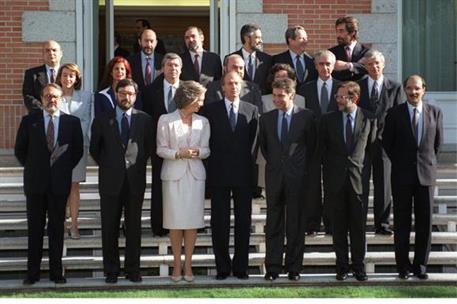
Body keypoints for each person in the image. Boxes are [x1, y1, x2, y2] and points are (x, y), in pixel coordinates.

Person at [15, 83, 83, 285]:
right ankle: (32, 273)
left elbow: (77, 151)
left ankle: (56, 273)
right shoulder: (29, 121)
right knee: (35, 229)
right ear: (42, 98)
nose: (51, 99)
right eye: (47, 96)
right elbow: (20, 150)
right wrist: (36, 167)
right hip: (35, 185)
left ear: (61, 98)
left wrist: (61, 169)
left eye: (55, 96)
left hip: (59, 185)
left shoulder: (72, 122)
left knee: (56, 229)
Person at [90, 78, 153, 284]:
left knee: (134, 227)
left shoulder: (144, 119)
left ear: (135, 96)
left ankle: (133, 270)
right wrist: (111, 165)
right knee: (109, 227)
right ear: (116, 95)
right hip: (110, 181)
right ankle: (111, 270)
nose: (126, 97)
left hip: (135, 181)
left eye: (130, 94)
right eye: (122, 93)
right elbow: (95, 149)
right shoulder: (101, 119)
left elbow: (147, 148)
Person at [382, 75, 443, 280]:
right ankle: (403, 267)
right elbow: (388, 144)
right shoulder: (394, 113)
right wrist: (401, 163)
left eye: (417, 88)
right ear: (405, 90)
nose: (413, 92)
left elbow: (437, 145)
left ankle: (421, 266)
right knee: (401, 223)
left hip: (426, 176)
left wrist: (426, 163)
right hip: (401, 177)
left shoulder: (435, 112)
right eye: (409, 88)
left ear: (424, 89)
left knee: (425, 223)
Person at [259, 78, 316, 281]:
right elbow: (265, 148)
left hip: (298, 177)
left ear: (291, 95)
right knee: (273, 222)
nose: (276, 100)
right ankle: (272, 268)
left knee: (296, 223)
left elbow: (312, 147)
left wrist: (299, 168)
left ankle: (294, 268)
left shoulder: (307, 117)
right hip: (274, 177)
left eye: (280, 96)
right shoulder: (266, 119)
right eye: (274, 96)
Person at [319, 81, 376, 281]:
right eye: (337, 97)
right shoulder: (328, 120)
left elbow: (371, 150)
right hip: (335, 181)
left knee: (358, 227)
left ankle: (359, 267)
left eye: (342, 97)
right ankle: (342, 266)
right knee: (339, 226)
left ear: (354, 98)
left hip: (358, 181)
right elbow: (322, 149)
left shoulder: (369, 118)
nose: (338, 100)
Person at [204, 71, 258, 280]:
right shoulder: (210, 111)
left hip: (243, 175)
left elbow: (254, 145)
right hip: (219, 175)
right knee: (220, 223)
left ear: (242, 87)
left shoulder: (251, 110)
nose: (233, 87)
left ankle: (241, 266)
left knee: (244, 222)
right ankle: (223, 267)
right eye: (229, 83)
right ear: (222, 87)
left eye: (237, 83)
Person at [156, 80, 210, 282]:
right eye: (200, 99)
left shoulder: (203, 122)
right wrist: (179, 153)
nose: (201, 104)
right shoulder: (165, 119)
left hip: (195, 176)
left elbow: (206, 150)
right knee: (175, 222)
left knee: (192, 223)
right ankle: (176, 265)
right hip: (173, 176)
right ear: (190, 97)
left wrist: (196, 152)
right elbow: (160, 149)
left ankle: (189, 265)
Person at [357, 49, 403, 235]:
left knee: (383, 185)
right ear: (365, 66)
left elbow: (399, 115)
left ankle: (382, 224)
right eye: (369, 64)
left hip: (385, 144)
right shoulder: (358, 86)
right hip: (361, 144)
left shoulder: (395, 87)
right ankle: (357, 223)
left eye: (377, 63)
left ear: (383, 64)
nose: (374, 67)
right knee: (360, 185)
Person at [298, 50, 340, 235]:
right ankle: (312, 224)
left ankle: (331, 224)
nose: (325, 67)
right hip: (311, 143)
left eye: (328, 64)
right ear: (315, 66)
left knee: (332, 184)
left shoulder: (342, 87)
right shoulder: (305, 89)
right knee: (312, 185)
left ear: (334, 65)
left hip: (334, 144)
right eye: (321, 64)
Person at [142, 52, 183, 237]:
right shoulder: (150, 90)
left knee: (184, 186)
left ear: (181, 69)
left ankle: (184, 224)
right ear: (162, 68)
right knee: (160, 186)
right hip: (159, 146)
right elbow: (146, 118)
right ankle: (159, 225)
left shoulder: (188, 89)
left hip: (184, 147)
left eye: (176, 65)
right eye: (169, 65)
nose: (173, 69)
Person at [56, 63, 93, 239]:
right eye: (65, 75)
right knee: (60, 185)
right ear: (59, 77)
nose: (68, 79)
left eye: (72, 75)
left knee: (74, 185)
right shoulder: (54, 95)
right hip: (58, 148)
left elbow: (88, 120)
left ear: (77, 78)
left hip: (79, 146)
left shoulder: (86, 96)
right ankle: (61, 223)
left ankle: (74, 225)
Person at [22, 40, 63, 113]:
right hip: (39, 117)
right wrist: (44, 111)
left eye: (54, 50)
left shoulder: (67, 73)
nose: (51, 53)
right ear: (43, 54)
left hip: (64, 116)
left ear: (61, 53)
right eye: (47, 50)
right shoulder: (32, 74)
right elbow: (28, 96)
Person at [272, 26, 317, 90]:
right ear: (290, 40)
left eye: (306, 38)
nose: (305, 41)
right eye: (301, 38)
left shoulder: (313, 59)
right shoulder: (278, 60)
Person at [231, 23, 272, 94]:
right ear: (246, 38)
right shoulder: (231, 59)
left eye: (260, 38)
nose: (261, 41)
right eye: (257, 37)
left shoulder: (267, 59)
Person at [329, 16, 369, 82]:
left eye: (341, 31)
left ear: (352, 32)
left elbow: (369, 68)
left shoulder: (366, 52)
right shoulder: (331, 53)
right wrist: (357, 66)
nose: (338, 35)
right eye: (337, 31)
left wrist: (348, 65)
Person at [128, 29, 164, 94]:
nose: (149, 45)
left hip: (157, 100)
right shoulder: (130, 61)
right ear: (140, 42)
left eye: (151, 41)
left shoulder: (163, 60)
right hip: (138, 100)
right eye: (146, 41)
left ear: (156, 43)